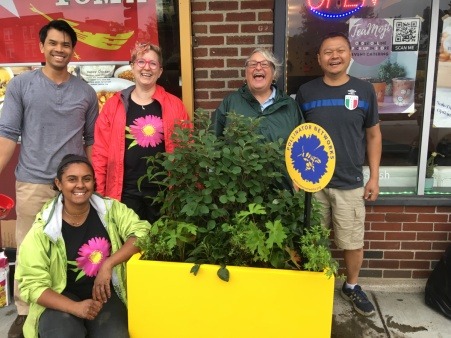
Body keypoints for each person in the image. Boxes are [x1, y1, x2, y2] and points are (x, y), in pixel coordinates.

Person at [0, 20, 99, 337]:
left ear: (73, 50)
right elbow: (6, 138)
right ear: (42, 47)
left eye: (66, 44)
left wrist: (94, 183)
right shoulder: (21, 86)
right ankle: (25, 312)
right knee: (30, 249)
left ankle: (71, 305)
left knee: (73, 248)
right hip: (33, 181)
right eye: (54, 43)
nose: (60, 49)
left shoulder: (85, 92)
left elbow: (91, 142)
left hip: (75, 188)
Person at [15, 154, 150, 338]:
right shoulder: (44, 228)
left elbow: (142, 233)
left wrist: (108, 264)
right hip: (61, 298)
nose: (80, 185)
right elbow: (32, 286)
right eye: (72, 179)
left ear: (93, 182)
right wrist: (76, 308)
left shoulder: (111, 211)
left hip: (105, 295)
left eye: (86, 179)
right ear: (59, 184)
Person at [296, 32, 382, 317]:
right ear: (319, 59)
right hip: (314, 182)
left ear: (350, 55)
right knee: (314, 239)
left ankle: (352, 286)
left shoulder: (364, 91)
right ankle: (314, 285)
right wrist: (297, 174)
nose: (334, 56)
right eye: (328, 52)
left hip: (350, 181)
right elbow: (297, 136)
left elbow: (373, 135)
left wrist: (374, 177)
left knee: (352, 240)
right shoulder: (306, 93)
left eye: (340, 50)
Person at [92, 42, 190, 223]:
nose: (147, 67)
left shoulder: (174, 105)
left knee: (161, 246)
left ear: (160, 71)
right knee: (129, 247)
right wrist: (99, 193)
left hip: (164, 194)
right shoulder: (114, 105)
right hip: (125, 192)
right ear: (132, 66)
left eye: (153, 63)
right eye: (141, 62)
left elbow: (187, 150)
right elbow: (100, 153)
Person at [213, 48, 304, 191]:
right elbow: (214, 141)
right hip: (239, 192)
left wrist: (299, 181)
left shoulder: (289, 106)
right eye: (252, 64)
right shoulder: (230, 103)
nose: (258, 67)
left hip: (281, 193)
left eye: (264, 64)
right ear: (246, 73)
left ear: (274, 74)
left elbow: (302, 146)